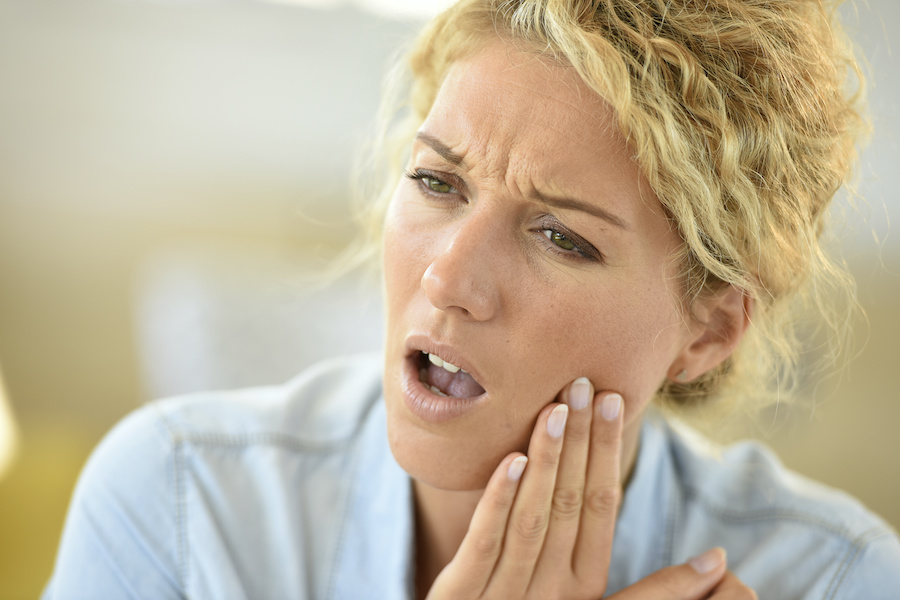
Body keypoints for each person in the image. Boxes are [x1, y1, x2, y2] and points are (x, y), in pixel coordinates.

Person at [43, 0, 899, 598]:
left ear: (708, 332)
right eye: (436, 181)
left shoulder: (834, 580)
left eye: (562, 236)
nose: (447, 279)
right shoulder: (178, 505)